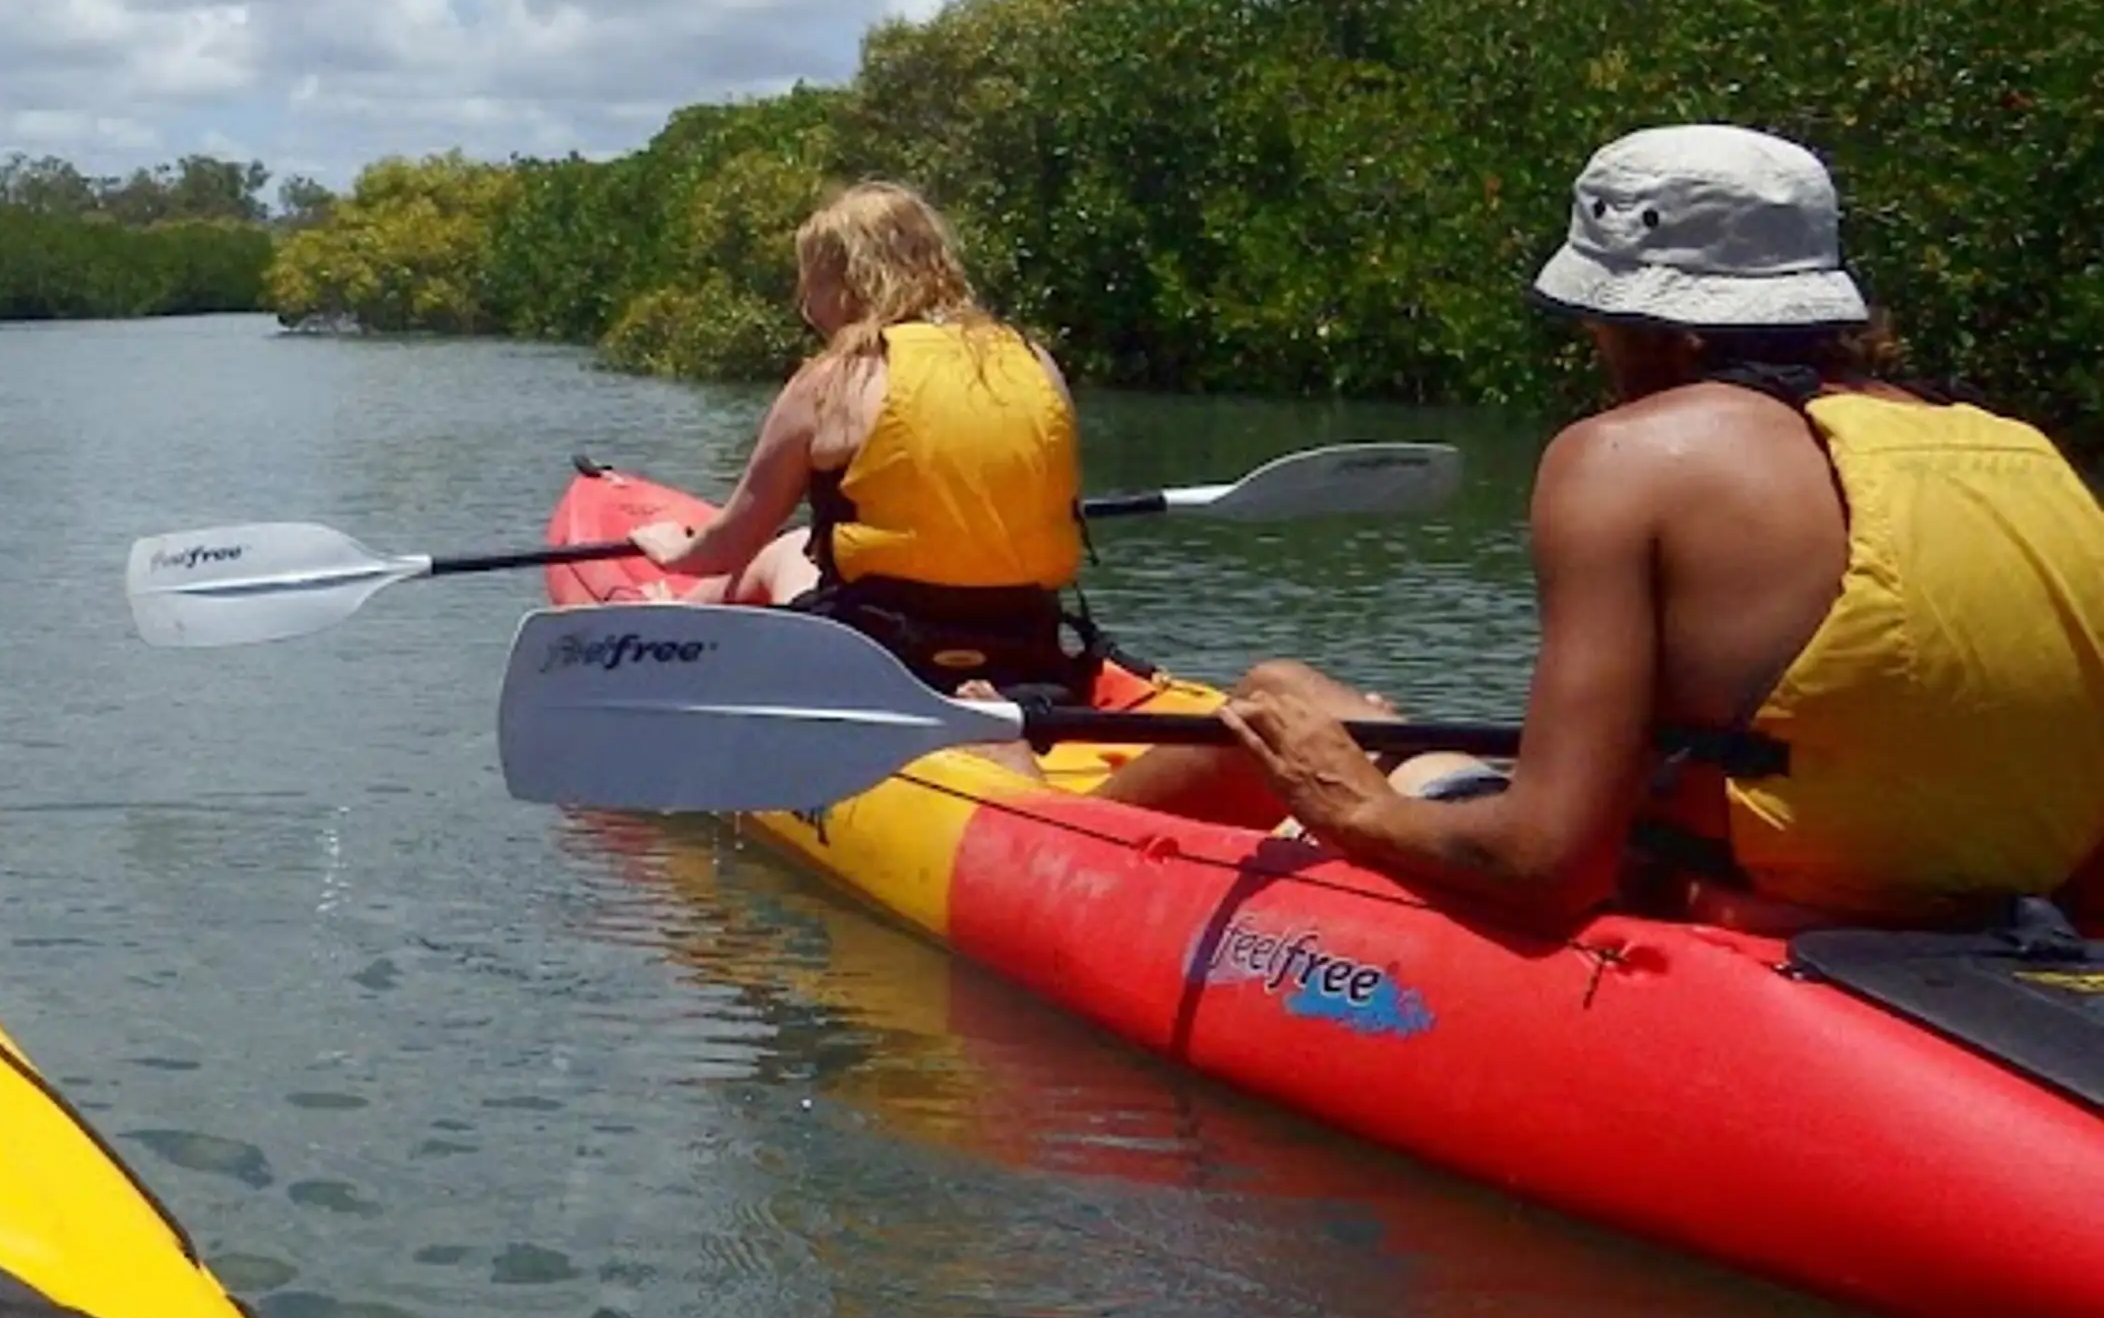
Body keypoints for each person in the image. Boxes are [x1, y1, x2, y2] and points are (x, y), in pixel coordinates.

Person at [1125, 125, 2104, 931]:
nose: (1590, 344)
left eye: (1594, 320)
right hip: (1989, 933)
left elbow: (1545, 863)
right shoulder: (2019, 453)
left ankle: (1010, 820)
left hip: (1735, 924)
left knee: (1273, 700)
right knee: (1339, 715)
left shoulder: (1624, 458)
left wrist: (1352, 805)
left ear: (1651, 325)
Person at [630, 180, 1100, 694]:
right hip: (1024, 643)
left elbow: (733, 542)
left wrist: (675, 550)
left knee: (781, 550)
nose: (805, 303)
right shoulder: (1036, 362)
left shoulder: (833, 379)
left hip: (881, 656)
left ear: (846, 283)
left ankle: (671, 621)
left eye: (811, 282)